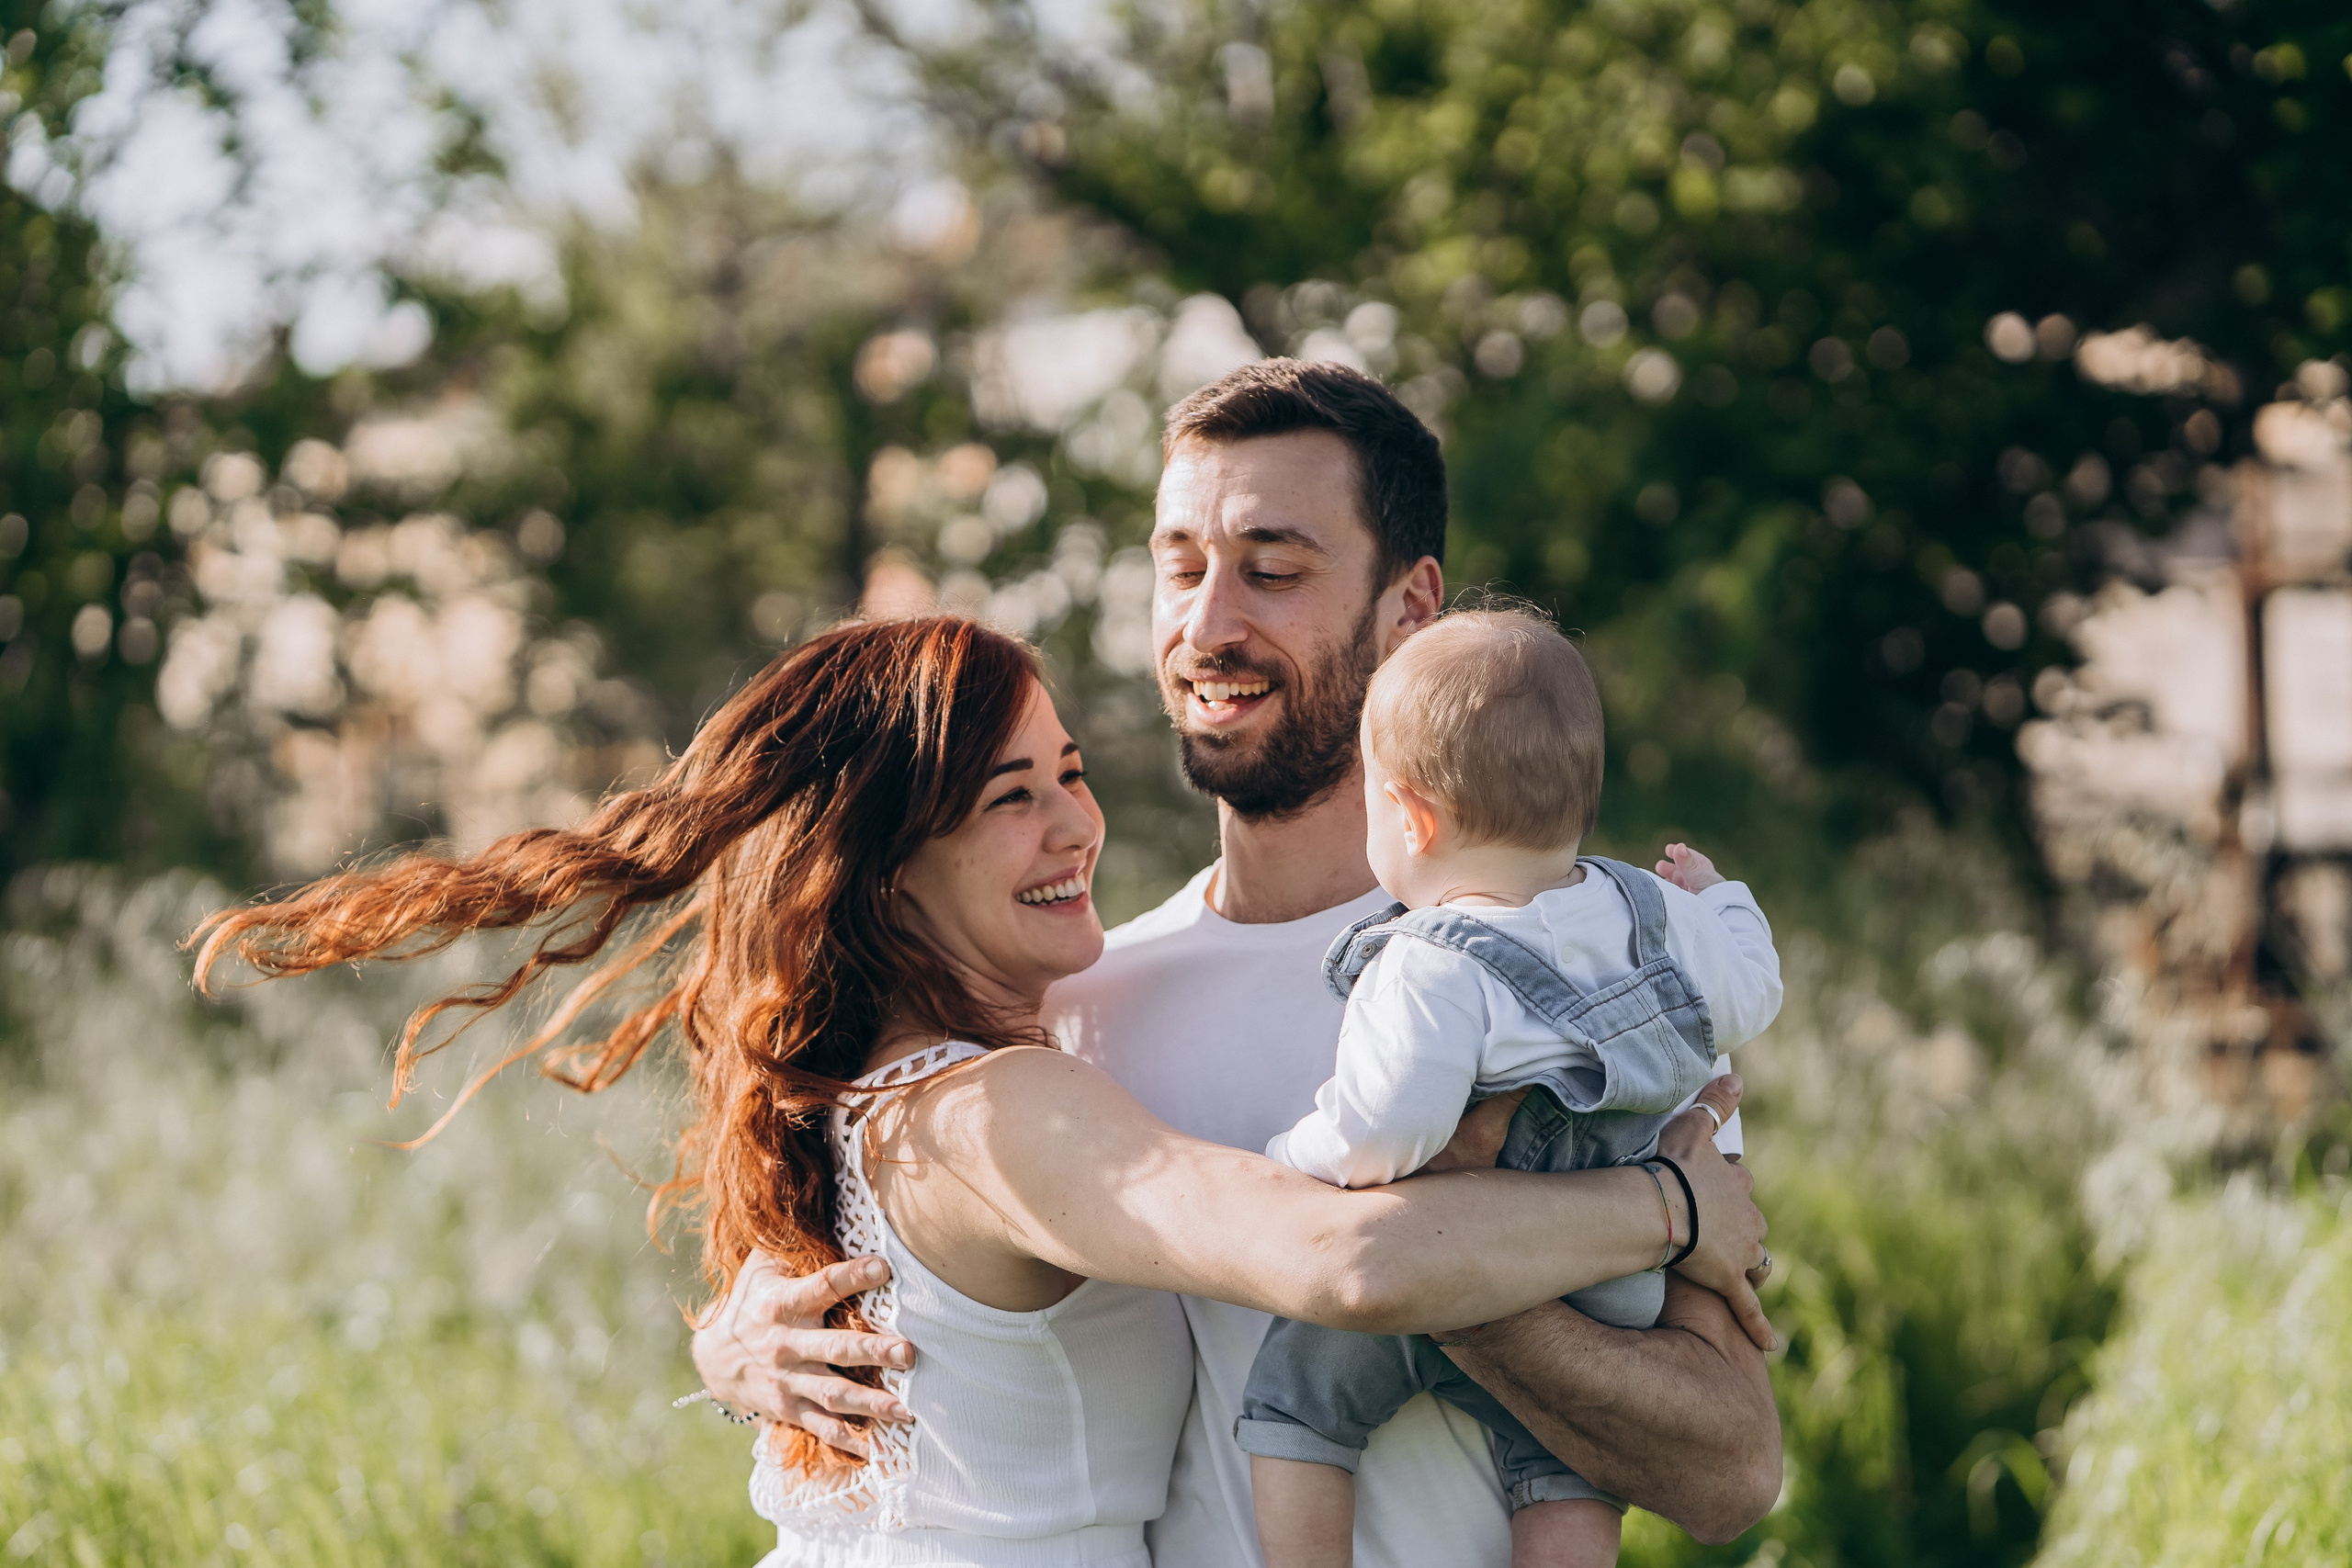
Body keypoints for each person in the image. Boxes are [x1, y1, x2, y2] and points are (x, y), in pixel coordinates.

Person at [190, 613, 1770, 1568]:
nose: (1074, 824)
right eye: (1011, 797)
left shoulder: (943, 1080)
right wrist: (1672, 1204)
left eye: (1070, 772)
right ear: (885, 870)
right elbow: (1339, 1259)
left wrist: (726, 1346)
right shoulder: (994, 1108)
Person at [695, 359, 1785, 1566]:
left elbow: (1731, 1469)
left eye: (1271, 570)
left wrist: (1471, 1271)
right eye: (1180, 567)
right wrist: (734, 1349)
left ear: (1411, 608)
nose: (1209, 626)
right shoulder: (1071, 998)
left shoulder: (1589, 971)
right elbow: (921, 1299)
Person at [1234, 608, 1785, 1568]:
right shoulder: (1655, 912)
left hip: (1462, 1259)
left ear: (1410, 817)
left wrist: (1292, 1161)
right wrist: (1718, 896)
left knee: (1297, 1403)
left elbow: (1383, 1132)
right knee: (1569, 1467)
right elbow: (1753, 992)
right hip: (1611, 1289)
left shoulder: (1430, 961)